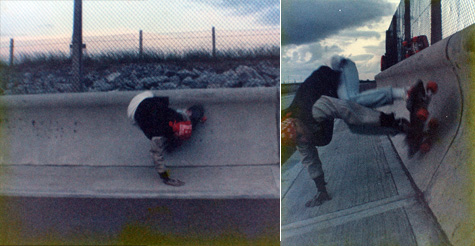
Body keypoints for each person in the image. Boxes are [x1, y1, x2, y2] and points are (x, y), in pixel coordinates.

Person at [282, 62, 409, 208]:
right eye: (298, 140)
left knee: (353, 102)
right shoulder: (299, 137)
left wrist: (390, 121)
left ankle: (404, 93)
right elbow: (310, 160)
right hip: (327, 97)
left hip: (339, 78)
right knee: (352, 127)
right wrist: (321, 190)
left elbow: (350, 111)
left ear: (297, 122)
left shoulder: (314, 108)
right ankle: (400, 124)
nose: (303, 139)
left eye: (299, 134)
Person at [127, 91, 205, 187]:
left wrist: (192, 119)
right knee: (155, 136)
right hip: (132, 112)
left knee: (174, 113)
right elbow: (156, 156)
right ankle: (169, 142)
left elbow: (182, 114)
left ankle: (178, 133)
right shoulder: (157, 134)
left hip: (146, 96)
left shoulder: (174, 115)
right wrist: (166, 177)